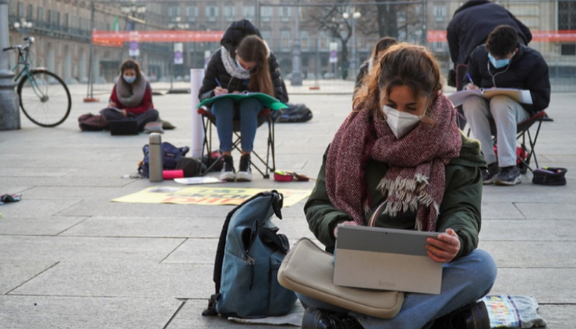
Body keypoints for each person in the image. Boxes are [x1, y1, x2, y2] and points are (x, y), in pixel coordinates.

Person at [298, 44, 497, 329]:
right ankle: (420, 317)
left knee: (482, 267)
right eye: (391, 105)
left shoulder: (459, 149)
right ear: (378, 94)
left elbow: (463, 209)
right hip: (357, 265)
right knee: (298, 274)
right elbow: (320, 204)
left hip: (426, 268)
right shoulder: (348, 141)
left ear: (431, 99)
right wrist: (337, 227)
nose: (399, 114)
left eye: (411, 107)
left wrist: (456, 239)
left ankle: (364, 322)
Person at [198, 19, 288, 182]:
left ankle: (245, 161)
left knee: (250, 102)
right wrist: (213, 92)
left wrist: (252, 94)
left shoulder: (268, 58)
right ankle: (226, 160)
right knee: (223, 102)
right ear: (235, 52)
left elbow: (279, 96)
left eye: (250, 67)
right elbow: (202, 94)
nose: (245, 69)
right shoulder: (219, 58)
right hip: (222, 112)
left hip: (254, 112)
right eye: (242, 64)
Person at [462, 25, 550, 186]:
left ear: (514, 51)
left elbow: (542, 99)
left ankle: (509, 167)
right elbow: (468, 80)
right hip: (487, 107)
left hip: (519, 110)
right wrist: (469, 86)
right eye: (492, 55)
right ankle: (487, 164)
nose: (495, 60)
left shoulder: (533, 60)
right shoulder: (479, 54)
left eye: (501, 57)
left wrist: (513, 94)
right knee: (471, 102)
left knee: (501, 101)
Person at [447, 0, 531, 73]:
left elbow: (456, 58)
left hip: (482, 49)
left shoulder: (455, 21)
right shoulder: (497, 8)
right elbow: (527, 33)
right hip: (515, 43)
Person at [100, 60, 159, 132]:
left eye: (132, 74)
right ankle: (133, 125)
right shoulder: (118, 85)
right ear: (122, 74)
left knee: (154, 113)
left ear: (137, 74)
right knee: (106, 112)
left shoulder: (145, 85)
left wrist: (128, 111)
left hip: (139, 115)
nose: (129, 76)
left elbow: (147, 107)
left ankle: (126, 125)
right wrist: (112, 105)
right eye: (126, 74)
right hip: (123, 116)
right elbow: (114, 101)